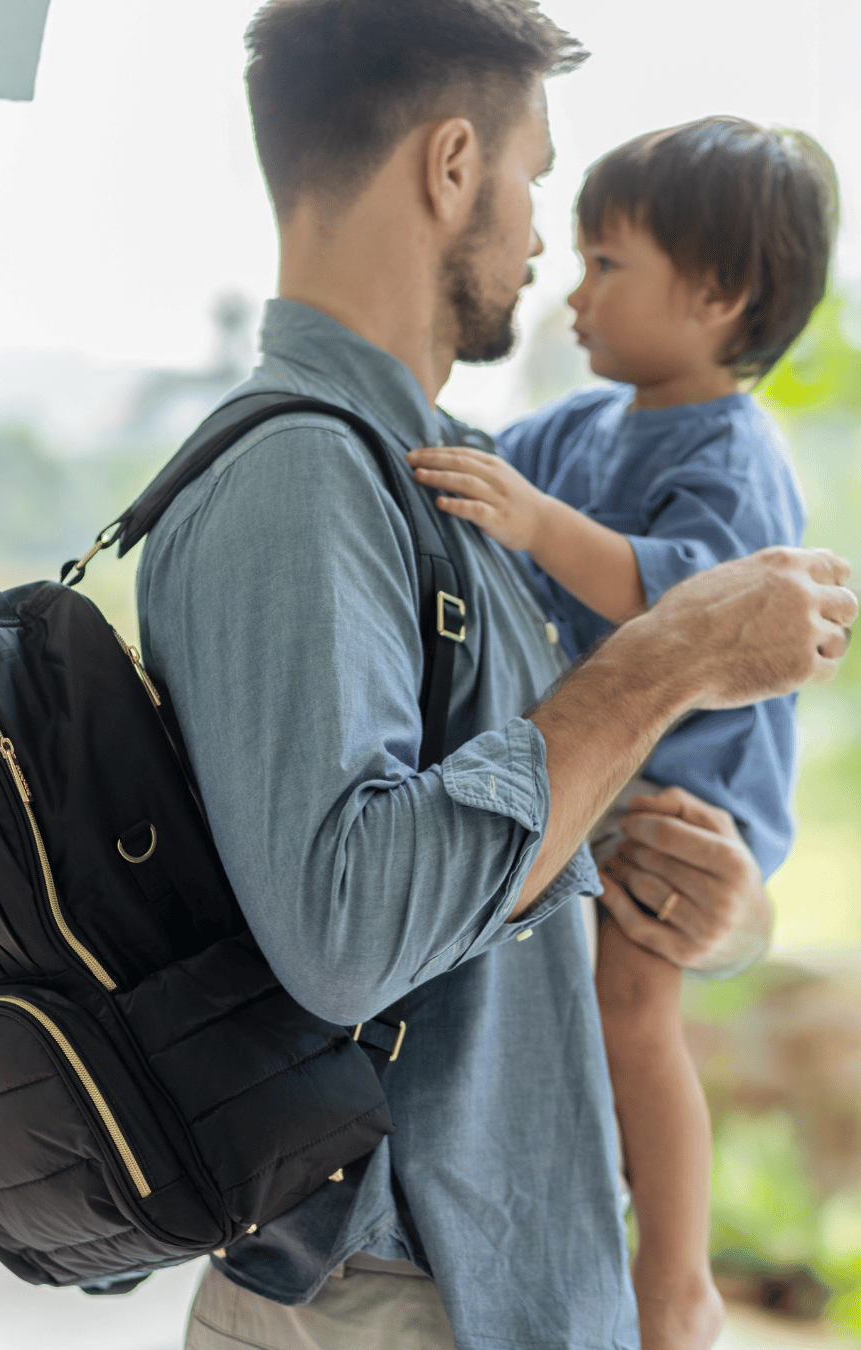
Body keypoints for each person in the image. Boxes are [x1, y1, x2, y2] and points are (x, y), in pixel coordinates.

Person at [133, 3, 857, 1347]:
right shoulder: (302, 487)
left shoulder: (441, 475)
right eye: (535, 178)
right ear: (451, 165)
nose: (542, 242)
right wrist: (667, 656)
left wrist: (715, 909)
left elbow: (512, 863)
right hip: (384, 1291)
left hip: (475, 1280)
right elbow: (351, 929)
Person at [407, 116, 839, 1349]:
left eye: (609, 266)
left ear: (717, 295)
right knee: (575, 1009)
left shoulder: (732, 446)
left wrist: (537, 526)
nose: (575, 292)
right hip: (609, 778)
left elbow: (699, 609)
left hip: (690, 797)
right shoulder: (587, 427)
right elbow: (490, 463)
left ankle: (680, 1282)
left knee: (633, 1005)